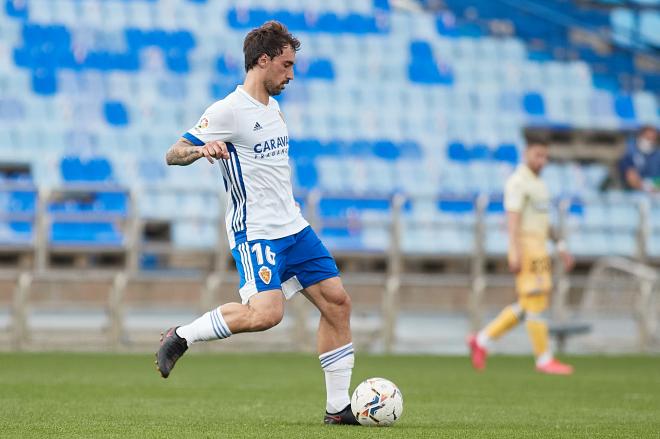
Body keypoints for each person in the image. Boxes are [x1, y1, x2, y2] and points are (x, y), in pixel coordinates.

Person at [156, 21, 358, 425]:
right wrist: (200, 152)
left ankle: (338, 409)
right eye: (285, 65)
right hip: (257, 231)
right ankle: (181, 336)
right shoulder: (228, 110)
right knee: (266, 314)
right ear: (262, 61)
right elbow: (172, 153)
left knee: (338, 303)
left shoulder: (273, 107)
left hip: (294, 227)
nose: (291, 74)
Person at [468, 138, 575, 375]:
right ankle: (544, 359)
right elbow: (513, 219)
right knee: (535, 300)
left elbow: (544, 221)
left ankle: (482, 340)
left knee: (529, 304)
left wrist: (560, 246)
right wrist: (514, 251)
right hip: (526, 246)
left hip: (540, 246)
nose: (542, 161)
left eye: (545, 157)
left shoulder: (539, 184)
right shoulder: (518, 182)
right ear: (527, 153)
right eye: (538, 155)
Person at [619, 125, 660, 193]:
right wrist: (646, 187)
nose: (650, 141)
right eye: (647, 138)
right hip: (633, 193)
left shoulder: (657, 154)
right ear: (640, 136)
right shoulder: (629, 152)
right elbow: (630, 176)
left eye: (653, 139)